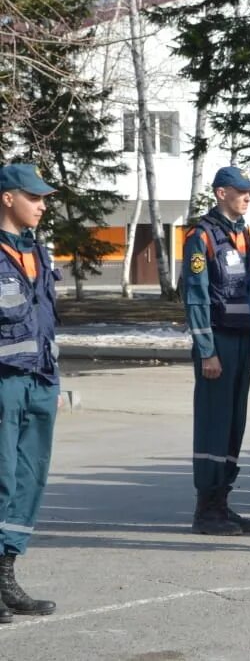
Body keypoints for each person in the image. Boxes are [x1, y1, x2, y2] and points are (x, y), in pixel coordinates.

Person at [181, 166, 250, 536]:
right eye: (241, 191)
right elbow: (196, 297)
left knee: (234, 425)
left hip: (243, 340)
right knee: (214, 425)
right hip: (218, 342)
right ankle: (206, 508)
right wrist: (207, 350)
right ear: (220, 194)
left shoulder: (243, 234)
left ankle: (222, 502)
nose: (248, 196)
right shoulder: (202, 236)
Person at [0, 165, 60, 621]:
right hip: (3, 382)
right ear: (7, 198)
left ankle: (6, 572)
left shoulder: (39, 253)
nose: (42, 205)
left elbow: (45, 321)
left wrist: (54, 377)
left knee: (29, 479)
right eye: (34, 197)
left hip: (39, 380)